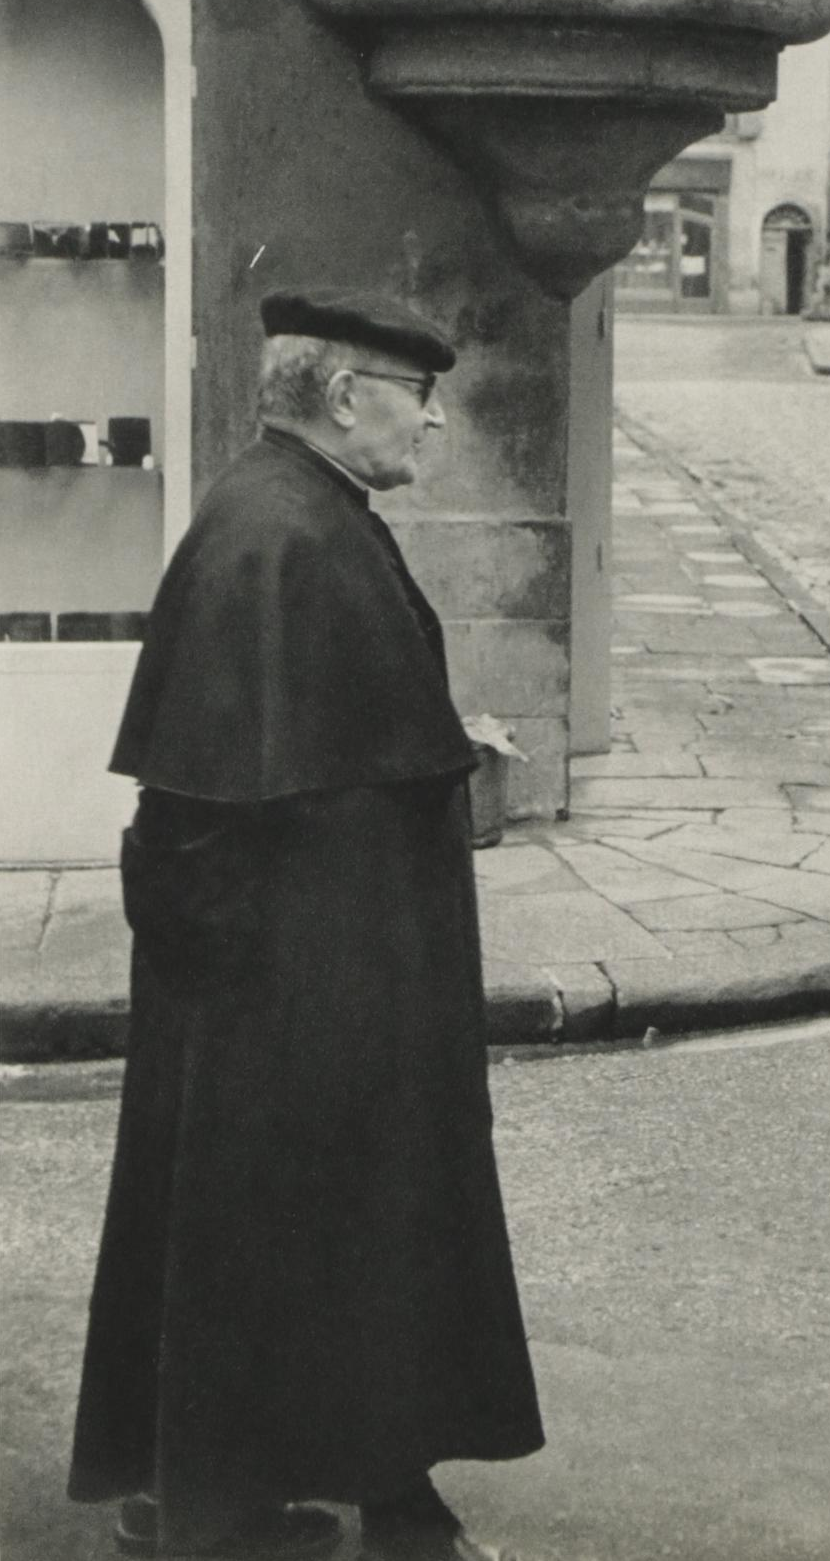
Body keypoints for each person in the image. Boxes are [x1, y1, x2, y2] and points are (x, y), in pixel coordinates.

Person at [69, 289, 544, 1561]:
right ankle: (225, 1511)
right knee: (289, 1236)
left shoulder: (303, 511)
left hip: (311, 977)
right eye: (416, 394)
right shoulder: (276, 534)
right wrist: (254, 1006)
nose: (434, 420)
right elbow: (201, 812)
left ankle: (235, 1492)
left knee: (285, 1241)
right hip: (289, 990)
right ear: (344, 397)